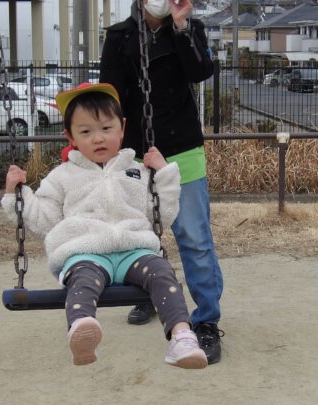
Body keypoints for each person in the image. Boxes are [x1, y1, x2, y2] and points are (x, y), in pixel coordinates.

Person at [1, 83, 207, 369]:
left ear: (122, 128)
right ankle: (82, 329)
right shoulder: (62, 176)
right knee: (83, 279)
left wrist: (164, 174)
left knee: (162, 272)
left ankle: (182, 337)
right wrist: (15, 194)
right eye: (86, 132)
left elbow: (162, 214)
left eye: (106, 128)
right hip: (86, 252)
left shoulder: (136, 171)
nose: (98, 138)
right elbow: (42, 218)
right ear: (70, 136)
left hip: (133, 250)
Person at [100, 0, 225, 364]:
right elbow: (110, 97)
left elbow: (201, 71)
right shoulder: (120, 36)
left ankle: (206, 321)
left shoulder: (191, 29)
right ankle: (150, 296)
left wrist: (182, 27)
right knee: (139, 236)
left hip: (182, 148)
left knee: (195, 239)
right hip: (136, 151)